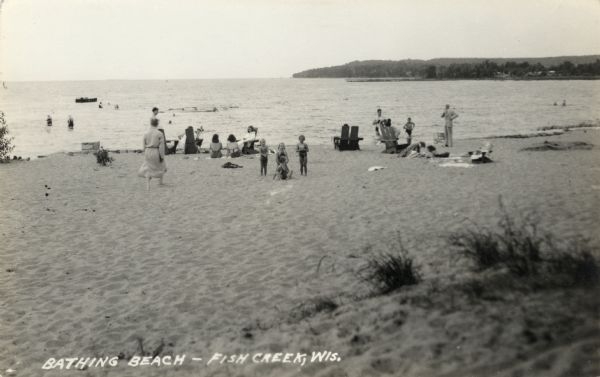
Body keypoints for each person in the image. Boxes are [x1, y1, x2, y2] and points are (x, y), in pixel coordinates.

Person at [138, 118, 167, 190]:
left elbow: (143, 145)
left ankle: (148, 185)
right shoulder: (159, 133)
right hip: (156, 151)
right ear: (157, 124)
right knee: (161, 165)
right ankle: (160, 181)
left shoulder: (146, 133)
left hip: (148, 151)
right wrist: (162, 156)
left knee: (148, 167)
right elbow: (161, 146)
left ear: (151, 124)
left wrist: (144, 152)